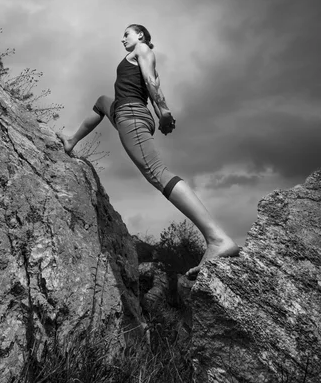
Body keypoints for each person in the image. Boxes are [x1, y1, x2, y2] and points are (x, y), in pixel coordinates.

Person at [56, 24, 239, 278]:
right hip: (124, 110)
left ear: (140, 35)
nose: (122, 39)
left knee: (157, 172)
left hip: (131, 114)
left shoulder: (142, 48)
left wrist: (162, 110)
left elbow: (152, 82)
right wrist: (158, 111)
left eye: (127, 34)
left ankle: (217, 238)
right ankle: (71, 140)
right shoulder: (139, 56)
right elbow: (149, 82)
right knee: (101, 101)